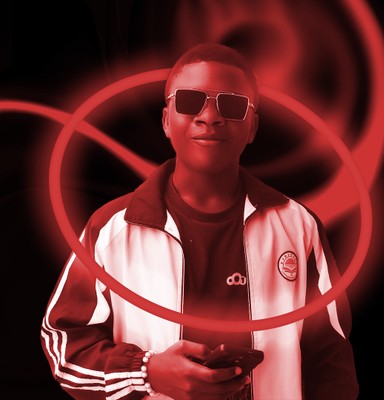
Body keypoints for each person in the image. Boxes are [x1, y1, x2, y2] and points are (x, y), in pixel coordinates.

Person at [41, 43, 359, 400]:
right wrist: (146, 372)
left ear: (252, 127)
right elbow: (64, 345)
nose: (209, 116)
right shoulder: (112, 229)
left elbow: (331, 360)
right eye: (190, 101)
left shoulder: (298, 228)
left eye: (231, 104)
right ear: (166, 120)